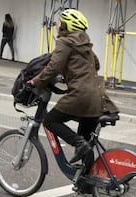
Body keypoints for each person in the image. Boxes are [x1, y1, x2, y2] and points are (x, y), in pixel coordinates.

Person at [28, 9, 119, 179]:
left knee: (50, 121)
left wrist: (36, 81)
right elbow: (96, 64)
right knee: (86, 141)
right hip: (98, 99)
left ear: (65, 26)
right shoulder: (85, 44)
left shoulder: (65, 42)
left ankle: (78, 143)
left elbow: (53, 66)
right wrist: (73, 72)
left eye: (59, 23)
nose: (57, 26)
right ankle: (87, 181)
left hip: (80, 96)